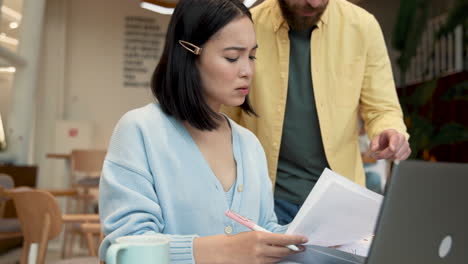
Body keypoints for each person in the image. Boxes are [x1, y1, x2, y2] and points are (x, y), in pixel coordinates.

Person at [98, 0, 307, 263]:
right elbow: (127, 247)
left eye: (252, 56)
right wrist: (227, 250)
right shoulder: (139, 131)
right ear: (188, 52)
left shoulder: (249, 144)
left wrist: (312, 238)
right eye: (232, 57)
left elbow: (264, 229)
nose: (247, 71)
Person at [221, 0, 411, 225]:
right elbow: (225, 117)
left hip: (340, 200)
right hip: (265, 200)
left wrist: (389, 131)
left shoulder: (362, 26)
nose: (314, 2)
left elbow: (382, 108)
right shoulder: (248, 26)